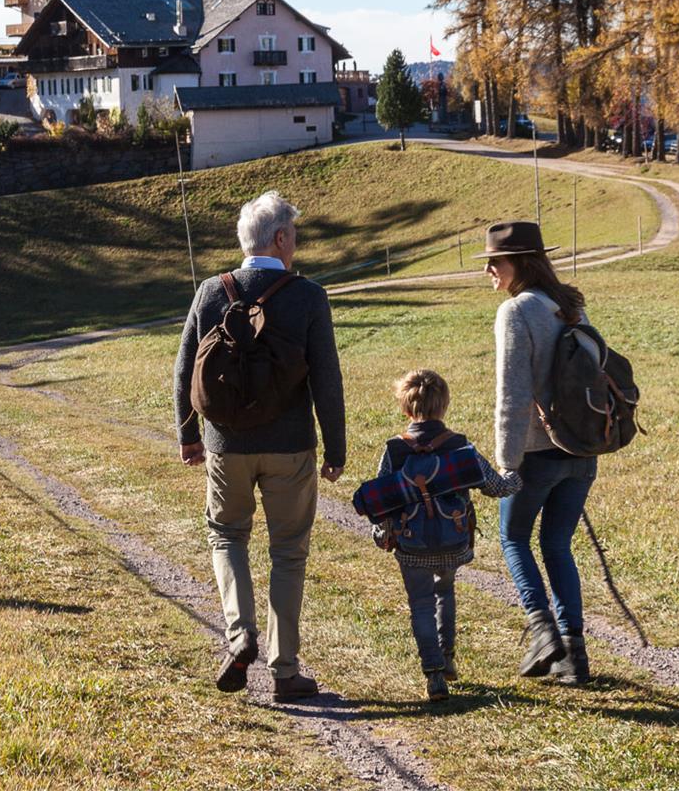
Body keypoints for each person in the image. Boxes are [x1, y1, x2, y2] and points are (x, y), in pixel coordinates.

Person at [173, 191, 345, 702]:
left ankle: (240, 634)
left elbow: (185, 369)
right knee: (288, 554)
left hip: (226, 446)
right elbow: (327, 379)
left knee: (227, 537)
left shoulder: (211, 291)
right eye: (294, 234)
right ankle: (285, 671)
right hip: (291, 448)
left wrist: (188, 436)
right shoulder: (309, 295)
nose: (297, 242)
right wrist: (334, 448)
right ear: (280, 238)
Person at [483, 219, 597, 684]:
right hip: (581, 450)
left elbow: (512, 393)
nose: (489, 270)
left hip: (536, 452)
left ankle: (541, 630)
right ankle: (574, 655)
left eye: (496, 262)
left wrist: (507, 464)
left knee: (512, 538)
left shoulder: (516, 312)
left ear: (522, 264)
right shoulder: (570, 306)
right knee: (556, 545)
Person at [366, 370, 518, 702]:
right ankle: (447, 656)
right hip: (454, 539)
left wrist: (380, 532)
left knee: (420, 603)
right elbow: (497, 487)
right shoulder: (459, 446)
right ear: (445, 406)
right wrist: (515, 472)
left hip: (410, 543)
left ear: (405, 409)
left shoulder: (395, 450)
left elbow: (380, 503)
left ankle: (434, 676)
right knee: (445, 592)